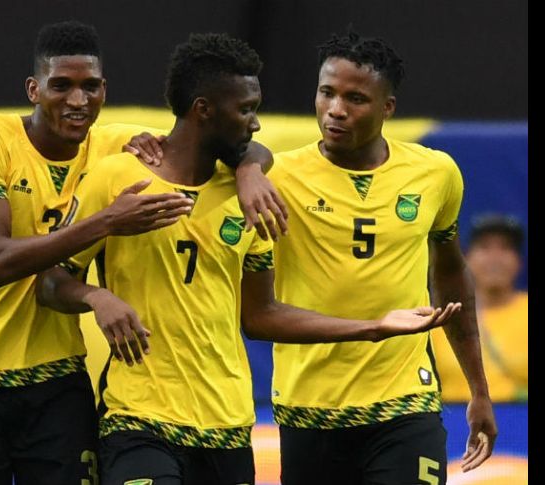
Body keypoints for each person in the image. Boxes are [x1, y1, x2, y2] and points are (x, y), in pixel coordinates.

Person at [36, 32, 460, 485]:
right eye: (246, 110)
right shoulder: (117, 177)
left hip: (228, 428)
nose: (255, 124)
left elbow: (260, 314)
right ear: (204, 110)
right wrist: (97, 297)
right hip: (137, 418)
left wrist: (374, 327)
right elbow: (51, 283)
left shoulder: (249, 197)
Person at [0, 20, 284, 485]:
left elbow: (219, 130)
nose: (78, 101)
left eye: (90, 87)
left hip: (58, 383)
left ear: (105, 90)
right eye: (62, 86)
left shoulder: (116, 146)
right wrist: (107, 224)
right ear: (33, 89)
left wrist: (251, 170)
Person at [266, 32, 498, 484]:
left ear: (387, 108)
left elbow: (450, 274)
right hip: (308, 407)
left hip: (406, 402)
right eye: (326, 93)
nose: (336, 109)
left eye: (356, 98)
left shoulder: (435, 172)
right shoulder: (275, 174)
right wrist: (250, 166)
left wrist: (478, 390)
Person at [432, 214, 528, 402]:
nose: (495, 259)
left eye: (505, 248)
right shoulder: (442, 316)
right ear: (466, 258)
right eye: (484, 247)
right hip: (454, 424)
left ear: (519, 261)